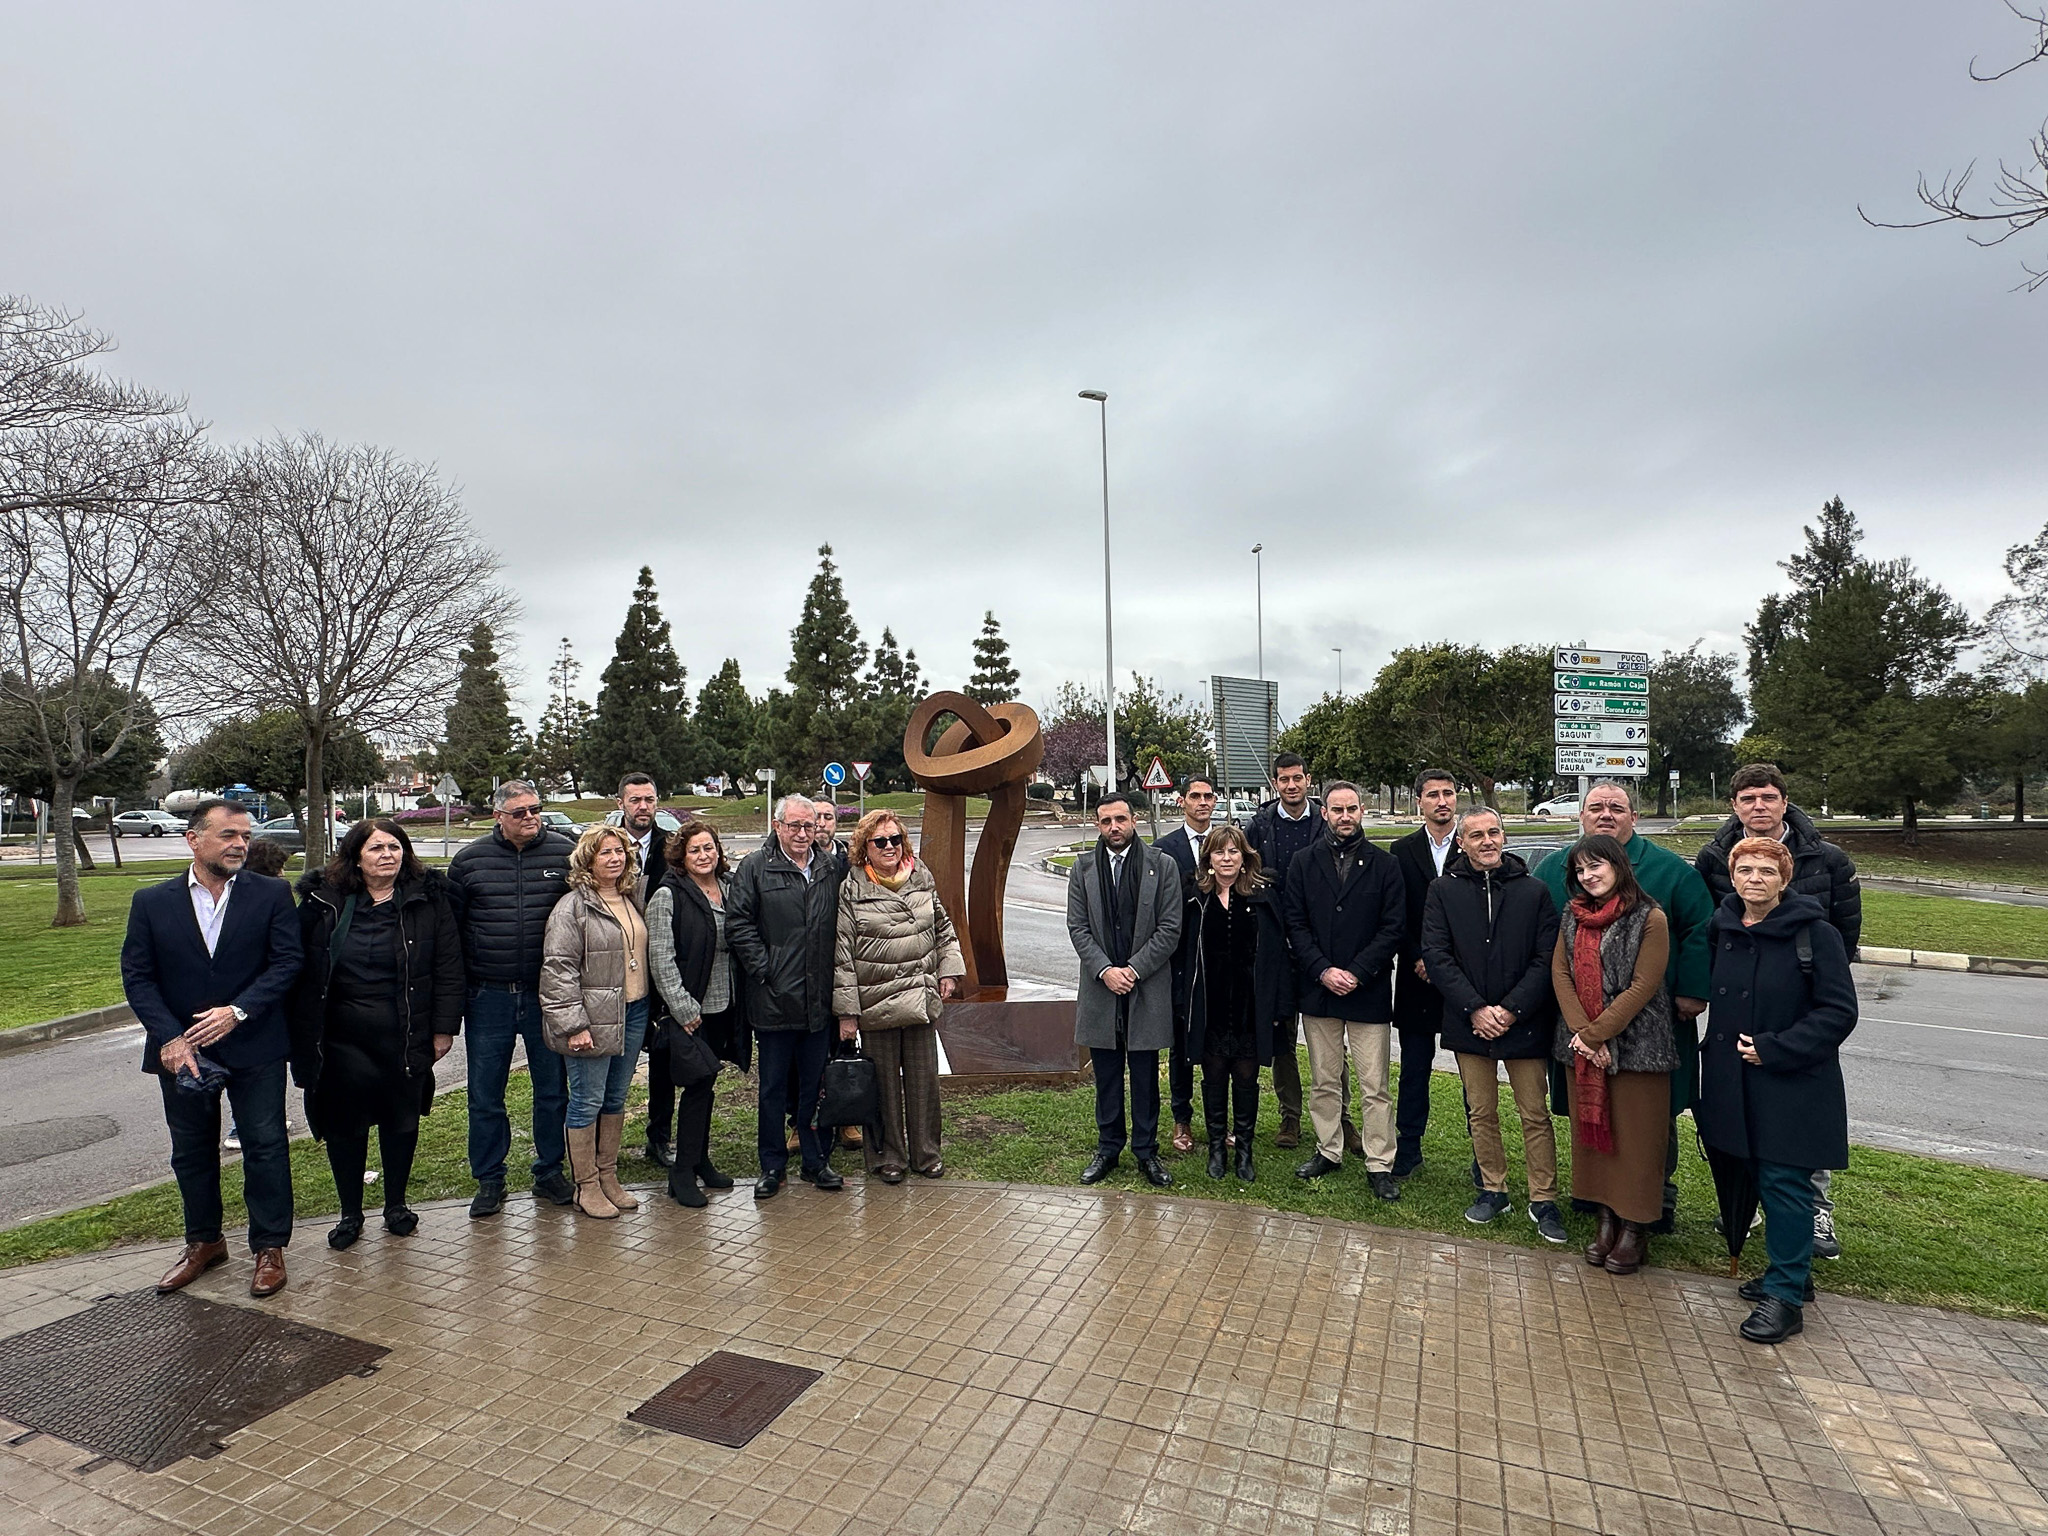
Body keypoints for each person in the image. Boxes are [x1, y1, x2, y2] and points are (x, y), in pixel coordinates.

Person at [120, 799, 303, 1298]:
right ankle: (204, 1242)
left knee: (265, 1146)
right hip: (183, 1053)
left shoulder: (271, 893)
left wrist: (238, 1011)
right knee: (191, 1151)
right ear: (193, 839)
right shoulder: (151, 902)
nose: (240, 844)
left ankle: (269, 1247)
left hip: (255, 1044)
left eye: (245, 835)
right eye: (228, 835)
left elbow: (288, 962)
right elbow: (137, 976)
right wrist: (170, 1038)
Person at [1693, 761, 1862, 1260]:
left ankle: (1814, 1210)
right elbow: (1713, 929)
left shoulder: (1826, 858)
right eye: (1748, 799)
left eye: (1768, 797)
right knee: (1741, 1116)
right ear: (1734, 806)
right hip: (1741, 1003)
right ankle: (1748, 1205)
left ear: (1784, 802)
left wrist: (1813, 975)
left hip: (1799, 997)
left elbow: (1844, 932)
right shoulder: (1713, 857)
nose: (1759, 807)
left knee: (1798, 1125)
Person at [1534, 779, 1712, 1232]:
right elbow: (1544, 943)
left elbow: (1700, 931)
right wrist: (1579, 1026)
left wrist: (1692, 989)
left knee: (1648, 1115)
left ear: (1634, 816)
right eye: (1596, 807)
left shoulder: (1671, 872)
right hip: (1578, 1023)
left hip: (1649, 1022)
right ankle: (1599, 1198)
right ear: (1581, 815)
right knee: (1591, 1109)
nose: (1606, 814)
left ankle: (1655, 1196)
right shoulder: (1556, 869)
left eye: (1617, 807)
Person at [289, 819, 461, 1249]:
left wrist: (444, 1029)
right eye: (376, 848)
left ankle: (396, 1205)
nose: (387, 855)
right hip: (339, 1039)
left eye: (394, 847)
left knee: (401, 1121)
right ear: (355, 857)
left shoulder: (428, 899)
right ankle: (350, 1213)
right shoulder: (323, 900)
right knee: (344, 1126)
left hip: (404, 1032)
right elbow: (298, 968)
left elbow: (448, 966)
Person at [1420, 808, 1566, 1241]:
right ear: (1461, 842)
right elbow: (1437, 955)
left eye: (1494, 832)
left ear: (1504, 836)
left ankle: (1544, 1197)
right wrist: (1475, 1009)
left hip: (1524, 1021)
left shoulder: (1534, 890)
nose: (1487, 841)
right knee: (1481, 1112)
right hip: (1469, 1022)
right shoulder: (1442, 890)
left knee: (1534, 1113)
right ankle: (1493, 1188)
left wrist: (1511, 1009)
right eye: (1476, 835)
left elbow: (1547, 956)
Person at [447, 780, 577, 1218]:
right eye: (519, 812)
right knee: (485, 1093)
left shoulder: (564, 854)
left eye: (535, 809)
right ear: (498, 816)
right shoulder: (469, 861)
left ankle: (550, 1171)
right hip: (489, 996)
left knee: (552, 1090)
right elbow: (452, 932)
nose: (530, 818)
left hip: (547, 995)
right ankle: (490, 1178)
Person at [1550, 834, 1678, 1275]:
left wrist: (1597, 1034)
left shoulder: (1650, 917)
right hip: (1582, 1049)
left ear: (1618, 866)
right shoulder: (1573, 915)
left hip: (1640, 1049)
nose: (1588, 876)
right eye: (1580, 870)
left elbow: (1643, 986)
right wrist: (1585, 1036)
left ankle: (1634, 1230)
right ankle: (1605, 1221)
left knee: (1637, 1143)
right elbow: (1561, 973)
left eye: (1596, 866)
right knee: (1597, 1141)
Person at [1283, 781, 1406, 1198]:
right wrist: (1322, 970)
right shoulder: (1303, 862)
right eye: (1337, 810)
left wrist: (1356, 971)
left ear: (1362, 811)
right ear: (1324, 813)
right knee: (1324, 1079)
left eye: (1351, 808)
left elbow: (1393, 927)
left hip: (1367, 990)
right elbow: (1295, 923)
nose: (1345, 816)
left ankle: (1379, 1162)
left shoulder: (1385, 865)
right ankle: (1328, 1149)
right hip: (1319, 989)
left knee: (1375, 1085)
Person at [833, 810, 966, 1182]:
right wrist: (847, 1012)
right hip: (876, 1001)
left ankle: (926, 1153)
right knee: (884, 1087)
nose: (889, 846)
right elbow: (842, 954)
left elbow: (943, 928)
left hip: (919, 995)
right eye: (880, 841)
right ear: (864, 848)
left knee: (924, 1083)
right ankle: (887, 1156)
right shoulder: (852, 888)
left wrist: (949, 969)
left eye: (895, 839)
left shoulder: (921, 876)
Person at [729, 794, 847, 1199]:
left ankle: (816, 1161)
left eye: (808, 826)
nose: (801, 833)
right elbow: (738, 924)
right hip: (774, 1000)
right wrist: (766, 970)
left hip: (819, 1000)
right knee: (773, 1089)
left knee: (815, 1086)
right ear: (777, 826)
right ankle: (772, 1165)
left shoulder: (829, 867)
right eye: (793, 825)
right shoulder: (755, 867)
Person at [1067, 792, 1184, 1188]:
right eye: (1106, 821)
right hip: (1101, 988)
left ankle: (1147, 1151)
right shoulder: (1082, 868)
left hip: (1145, 986)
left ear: (1133, 820)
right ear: (1098, 825)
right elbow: (1078, 927)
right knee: (1107, 1075)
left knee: (1146, 1076)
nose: (1114, 827)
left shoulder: (1162, 866)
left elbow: (1170, 928)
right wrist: (1105, 970)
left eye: (1120, 819)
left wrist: (1133, 970)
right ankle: (1108, 1148)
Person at [1247, 752, 1354, 1154]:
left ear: (1308, 780)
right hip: (1276, 947)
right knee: (1282, 1039)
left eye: (1297, 778)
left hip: (1321, 947)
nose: (1290, 785)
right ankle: (1290, 1116)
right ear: (1274, 783)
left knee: (1332, 1041)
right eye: (1283, 779)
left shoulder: (1326, 821)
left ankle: (1343, 1117)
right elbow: (1250, 878)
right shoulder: (1260, 826)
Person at [540, 825, 649, 1219]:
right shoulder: (572, 908)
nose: (614, 858)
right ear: (587, 860)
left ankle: (608, 1176)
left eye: (619, 851)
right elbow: (558, 970)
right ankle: (585, 1186)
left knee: (615, 1098)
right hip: (592, 1019)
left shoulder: (631, 897)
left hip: (632, 1011)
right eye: (605, 852)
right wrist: (574, 1025)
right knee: (587, 1100)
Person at [1175, 823, 1286, 1182]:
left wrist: (1277, 1006)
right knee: (1214, 1075)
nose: (1227, 858)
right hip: (1209, 1004)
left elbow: (1278, 956)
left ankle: (1245, 1149)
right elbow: (1182, 954)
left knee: (1246, 1076)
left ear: (1244, 857)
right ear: (1208, 858)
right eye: (1219, 851)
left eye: (1233, 851)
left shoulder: (1262, 896)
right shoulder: (1195, 897)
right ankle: (1216, 1149)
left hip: (1251, 1005)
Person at [647, 818, 746, 1208]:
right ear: (681, 856)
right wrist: (683, 1007)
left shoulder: (729, 887)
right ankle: (682, 1172)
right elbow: (661, 958)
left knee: (708, 1085)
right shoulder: (668, 895)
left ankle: (700, 1159)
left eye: (709, 848)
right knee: (697, 1083)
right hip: (690, 1010)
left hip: (725, 1006)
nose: (704, 855)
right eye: (695, 850)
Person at [1388, 768, 1459, 1176]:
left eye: (1448, 793)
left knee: (1473, 1073)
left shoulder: (1471, 845)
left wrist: (1444, 963)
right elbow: (1395, 912)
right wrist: (1419, 956)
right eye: (1433, 794)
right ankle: (1409, 1148)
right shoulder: (1401, 851)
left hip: (1462, 980)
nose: (1441, 801)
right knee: (1414, 1070)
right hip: (1415, 978)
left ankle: (1482, 1158)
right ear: (1420, 801)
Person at [614, 774, 683, 1168]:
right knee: (611, 1060)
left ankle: (659, 1138)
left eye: (650, 800)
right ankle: (603, 1142)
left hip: (658, 965)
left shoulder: (670, 847)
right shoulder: (606, 845)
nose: (643, 807)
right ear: (621, 803)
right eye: (635, 800)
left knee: (662, 1059)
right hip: (612, 968)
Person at [1155, 772, 1221, 1154]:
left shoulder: (1227, 843)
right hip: (1179, 963)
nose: (1202, 802)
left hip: (1220, 961)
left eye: (1208, 796)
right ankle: (1182, 1119)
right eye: (1195, 796)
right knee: (1181, 1047)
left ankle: (1218, 1122)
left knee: (1218, 1047)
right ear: (1183, 801)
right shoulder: (1164, 849)